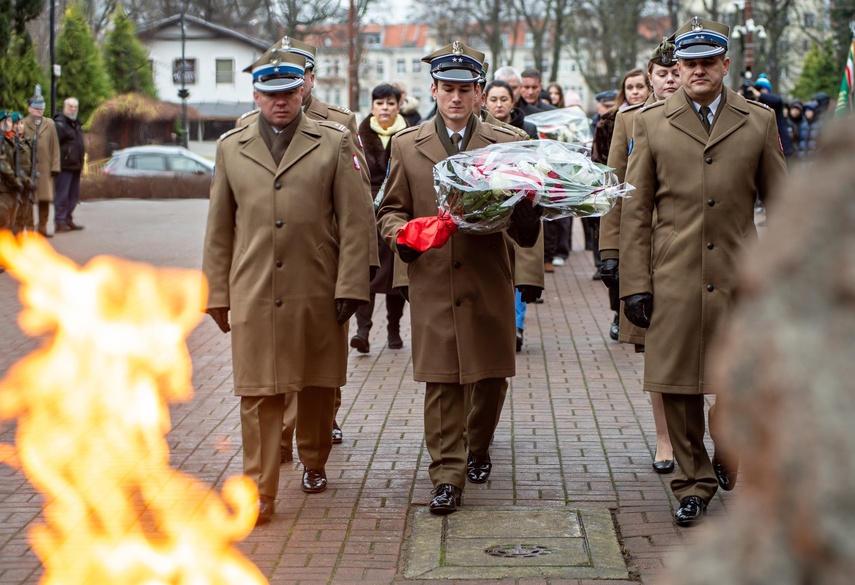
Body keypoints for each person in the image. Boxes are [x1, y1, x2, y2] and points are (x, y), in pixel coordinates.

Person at [620, 16, 787, 527]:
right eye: (687, 64)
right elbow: (635, 207)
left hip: (741, 276)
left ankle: (730, 448)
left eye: (705, 63)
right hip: (672, 274)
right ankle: (692, 484)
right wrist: (633, 284)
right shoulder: (650, 122)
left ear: (724, 65)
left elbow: (782, 204)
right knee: (677, 385)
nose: (695, 71)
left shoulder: (757, 120)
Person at [202, 50, 374, 526]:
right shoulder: (231, 146)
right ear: (255, 96)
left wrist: (352, 285)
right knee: (257, 392)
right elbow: (219, 227)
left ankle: (314, 459)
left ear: (304, 92)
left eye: (289, 93)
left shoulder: (333, 142)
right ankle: (259, 491)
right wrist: (215, 291)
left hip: (317, 283)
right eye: (271, 95)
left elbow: (355, 220)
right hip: (254, 286)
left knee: (318, 382)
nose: (281, 102)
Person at [377, 41, 541, 515]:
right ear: (433, 90)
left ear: (479, 92)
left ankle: (479, 444)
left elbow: (526, 221)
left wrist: (530, 207)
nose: (454, 98)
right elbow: (389, 210)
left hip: (488, 275)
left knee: (490, 377)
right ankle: (446, 475)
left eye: (464, 89)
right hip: (433, 277)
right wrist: (404, 235)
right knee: (442, 381)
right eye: (446, 89)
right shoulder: (407, 145)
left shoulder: (506, 144)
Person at [237, 36, 377, 451]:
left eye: (298, 75)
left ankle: (316, 430)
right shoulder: (249, 125)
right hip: (271, 261)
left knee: (319, 362)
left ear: (309, 79)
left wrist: (360, 271)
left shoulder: (338, 123)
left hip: (323, 257)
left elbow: (357, 198)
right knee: (276, 356)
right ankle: (281, 436)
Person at [599, 37, 680, 474]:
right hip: (648, 250)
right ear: (649, 78)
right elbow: (616, 189)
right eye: (661, 73)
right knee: (657, 351)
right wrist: (611, 251)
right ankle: (665, 439)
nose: (669, 79)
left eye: (675, 71)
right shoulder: (630, 120)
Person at [351, 83, 409, 353]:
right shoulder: (356, 135)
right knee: (367, 274)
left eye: (390, 103)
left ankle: (394, 330)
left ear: (399, 106)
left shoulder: (409, 135)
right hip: (366, 212)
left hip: (397, 210)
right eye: (379, 103)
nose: (385, 108)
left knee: (395, 277)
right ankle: (362, 332)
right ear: (372, 106)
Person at [589, 69, 651, 281]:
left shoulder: (654, 115)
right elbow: (599, 160)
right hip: (615, 189)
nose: (635, 92)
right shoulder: (609, 121)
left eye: (639, 87)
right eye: (630, 87)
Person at [21, 86, 60, 238]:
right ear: (30, 109)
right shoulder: (23, 124)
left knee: (45, 198)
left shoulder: (50, 124)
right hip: (28, 168)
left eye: (42, 108)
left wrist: (55, 166)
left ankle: (42, 227)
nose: (40, 111)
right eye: (36, 108)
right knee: (29, 199)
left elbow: (55, 147)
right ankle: (30, 227)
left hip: (45, 167)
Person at [0, 111, 23, 246]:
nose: (8, 124)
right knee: (3, 222)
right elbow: (3, 164)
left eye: (9, 121)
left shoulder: (10, 140)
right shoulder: (1, 141)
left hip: (11, 189)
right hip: (3, 189)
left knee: (9, 224)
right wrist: (15, 180)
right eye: (4, 122)